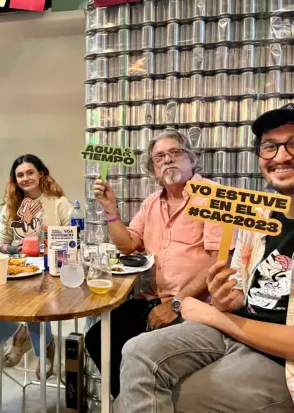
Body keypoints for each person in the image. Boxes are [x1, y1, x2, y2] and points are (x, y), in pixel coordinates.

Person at [117, 104, 294, 413]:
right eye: (270, 146)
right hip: (227, 328)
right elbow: (238, 295)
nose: (280, 156)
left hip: (287, 363)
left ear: (190, 159)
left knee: (166, 399)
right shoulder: (259, 217)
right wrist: (227, 299)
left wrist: (211, 312)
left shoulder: (211, 196)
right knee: (134, 351)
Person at [85, 129, 234, 398]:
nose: (167, 160)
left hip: (197, 307)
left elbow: (218, 262)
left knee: (140, 352)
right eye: (159, 157)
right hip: (154, 301)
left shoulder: (214, 196)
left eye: (175, 153)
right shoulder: (152, 203)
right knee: (98, 338)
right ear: (153, 170)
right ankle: (128, 403)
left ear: (191, 160)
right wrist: (111, 211)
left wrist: (176, 303)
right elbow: (128, 245)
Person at [0, 154, 73, 379]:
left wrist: (53, 245)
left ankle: (34, 341)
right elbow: (1, 244)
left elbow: (74, 236)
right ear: (14, 179)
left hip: (53, 269)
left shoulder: (58, 202)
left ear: (41, 174)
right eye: (20, 175)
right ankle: (32, 339)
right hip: (22, 269)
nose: (25, 178)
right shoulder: (10, 208)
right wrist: (15, 248)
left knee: (38, 301)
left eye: (30, 172)